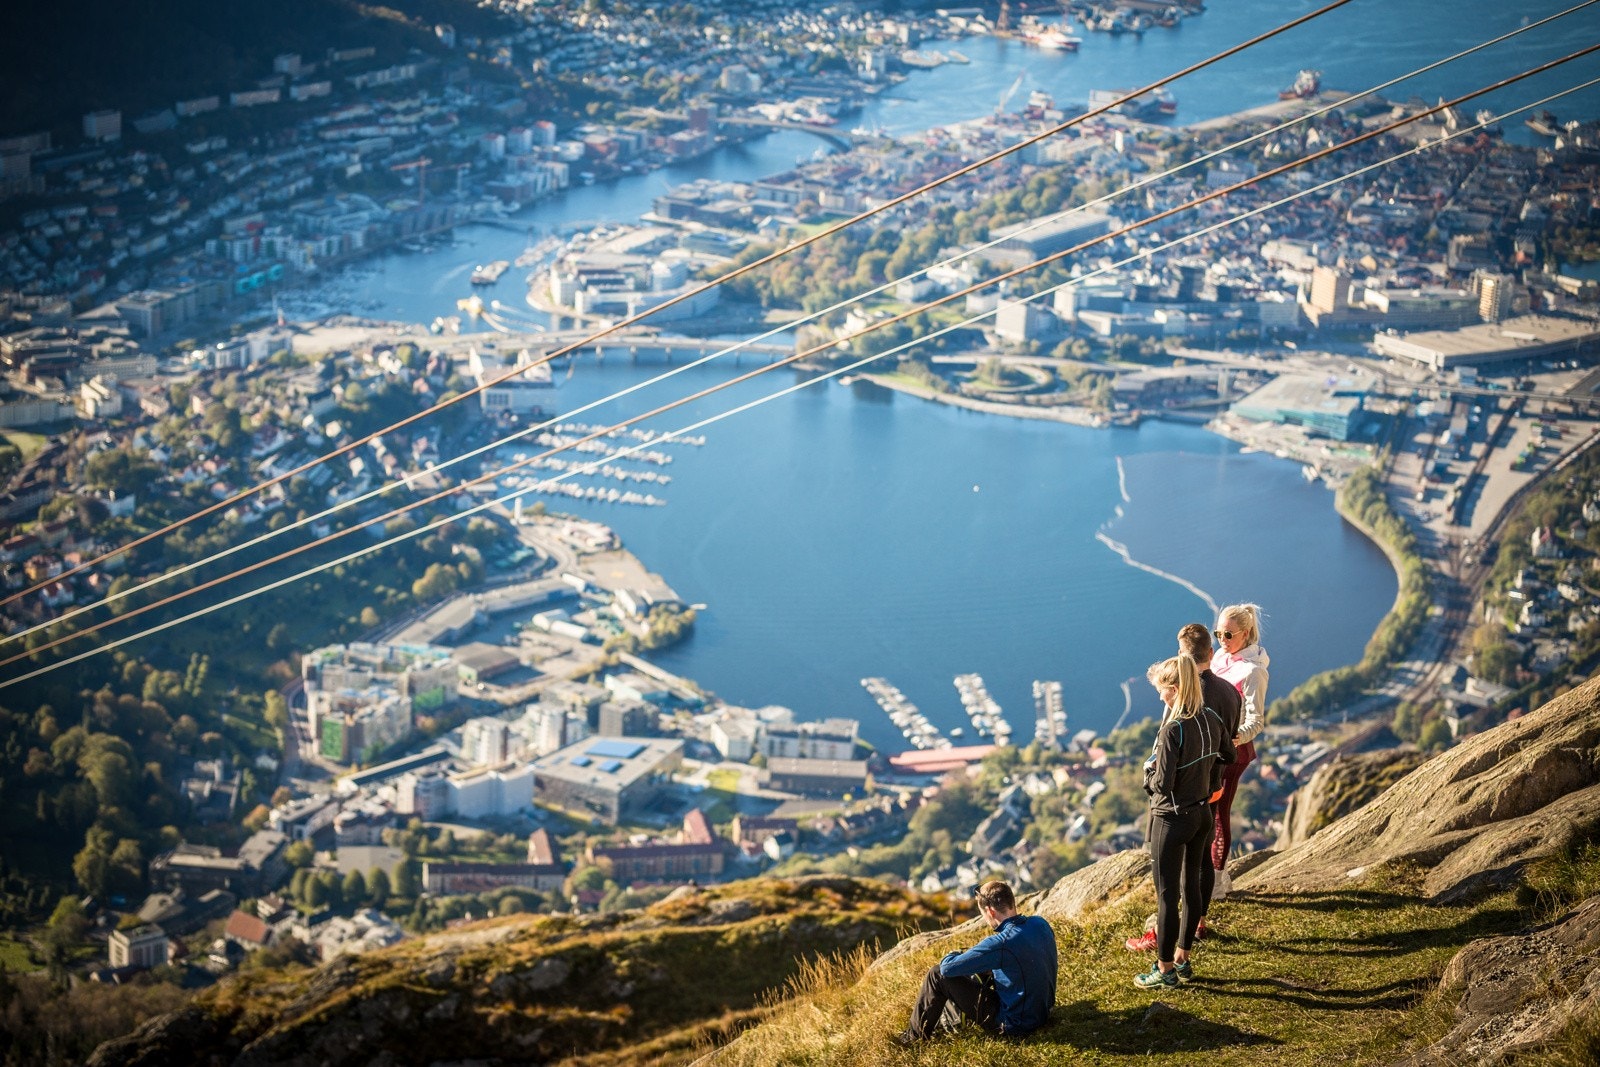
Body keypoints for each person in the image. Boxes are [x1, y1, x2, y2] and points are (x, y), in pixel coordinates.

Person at [1125, 624, 1240, 952]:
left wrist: (1149, 775)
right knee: (1200, 864)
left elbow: (1163, 775)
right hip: (1209, 791)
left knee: (1168, 885)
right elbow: (1230, 749)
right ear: (1211, 652)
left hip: (1176, 801)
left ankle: (1164, 948)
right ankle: (1196, 929)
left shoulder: (1178, 716)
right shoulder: (1230, 694)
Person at [895, 880, 1057, 1044]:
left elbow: (947, 968)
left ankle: (913, 1038)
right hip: (1044, 1012)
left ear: (990, 911)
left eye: (983, 913)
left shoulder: (1001, 943)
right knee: (984, 968)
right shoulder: (1040, 923)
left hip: (1014, 1026)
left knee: (936, 975)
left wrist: (954, 954)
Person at [1209, 603, 1270, 894]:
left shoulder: (1253, 672)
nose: (1222, 639)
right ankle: (1212, 877)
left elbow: (1257, 722)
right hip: (1211, 748)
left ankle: (1218, 882)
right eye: (1218, 632)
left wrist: (1230, 740)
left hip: (1233, 752)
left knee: (1219, 813)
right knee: (1205, 813)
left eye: (1228, 634)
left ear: (1245, 633)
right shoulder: (1221, 657)